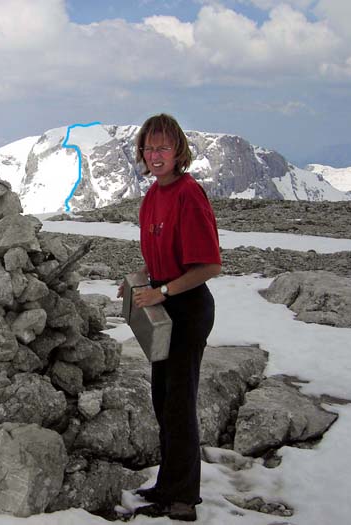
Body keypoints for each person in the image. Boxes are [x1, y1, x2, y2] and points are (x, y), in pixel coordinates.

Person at [119, 113, 222, 522]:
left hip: (188, 307)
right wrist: (138, 281)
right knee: (163, 400)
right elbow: (154, 255)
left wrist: (159, 291)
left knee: (179, 403)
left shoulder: (188, 194)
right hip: (163, 304)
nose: (155, 154)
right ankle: (167, 485)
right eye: (149, 147)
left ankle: (183, 499)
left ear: (178, 151)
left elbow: (209, 266)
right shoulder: (152, 195)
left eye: (163, 147)